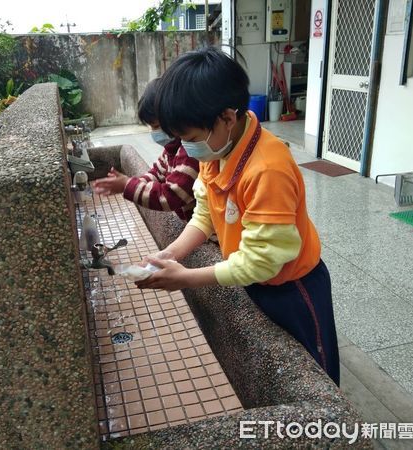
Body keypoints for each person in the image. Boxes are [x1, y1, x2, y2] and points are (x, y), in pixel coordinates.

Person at [135, 47, 340, 386]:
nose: (186, 149)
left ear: (228, 118)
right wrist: (172, 254)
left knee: (315, 376)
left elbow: (262, 262)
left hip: (294, 288)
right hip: (255, 278)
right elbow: (205, 213)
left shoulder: (267, 169)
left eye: (190, 139)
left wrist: (185, 278)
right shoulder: (218, 149)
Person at [92, 78, 199, 222]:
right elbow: (156, 173)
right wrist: (133, 183)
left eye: (156, 126)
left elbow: (170, 197)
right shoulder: (171, 150)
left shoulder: (190, 154)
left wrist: (127, 185)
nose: (153, 132)